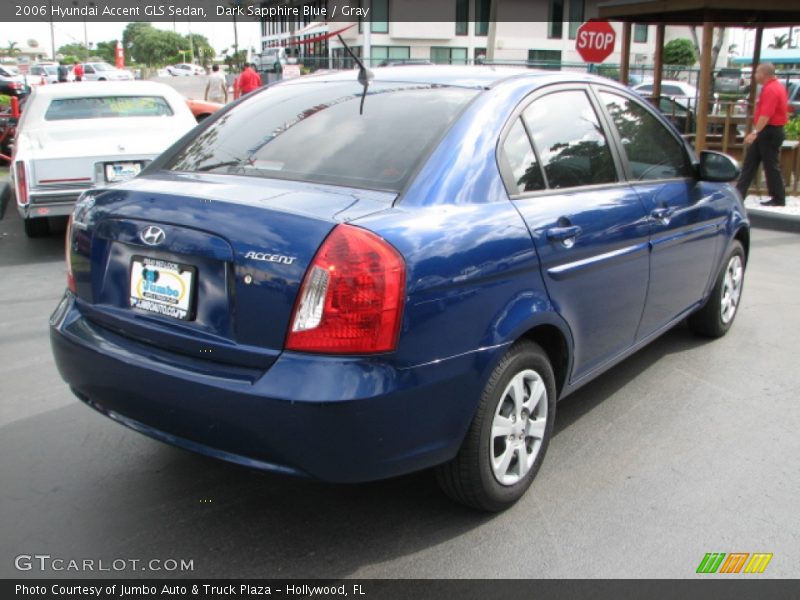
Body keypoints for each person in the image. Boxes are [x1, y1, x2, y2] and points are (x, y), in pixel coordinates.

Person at [736, 62, 789, 207]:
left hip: (769, 131)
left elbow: (766, 114)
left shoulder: (771, 89)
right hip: (768, 131)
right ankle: (739, 194)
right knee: (750, 162)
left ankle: (778, 198)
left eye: (757, 72)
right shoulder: (774, 87)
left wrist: (755, 132)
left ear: (764, 74)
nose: (754, 75)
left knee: (770, 164)